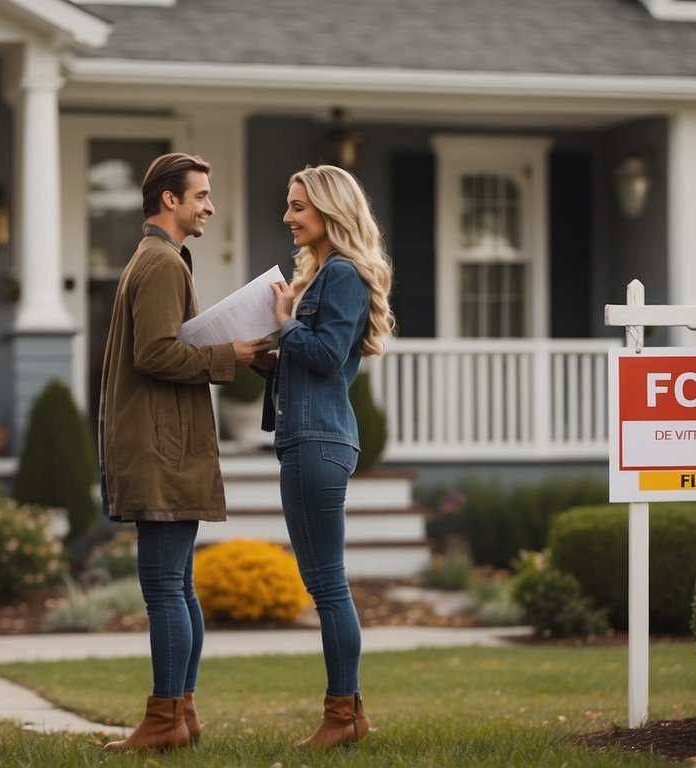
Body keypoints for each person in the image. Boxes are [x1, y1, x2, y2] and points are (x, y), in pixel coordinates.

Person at [97, 152, 261, 752]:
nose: (209, 207)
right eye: (201, 196)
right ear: (170, 199)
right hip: (160, 446)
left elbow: (159, 352)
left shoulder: (162, 259)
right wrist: (231, 355)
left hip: (163, 445)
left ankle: (173, 717)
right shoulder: (161, 262)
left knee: (171, 587)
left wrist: (232, 354)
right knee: (173, 587)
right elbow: (157, 353)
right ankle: (176, 714)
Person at [256, 164, 395, 749]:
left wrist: (286, 325)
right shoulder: (323, 275)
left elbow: (326, 352)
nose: (287, 217)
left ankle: (341, 717)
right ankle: (351, 713)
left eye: (298, 208)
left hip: (319, 441)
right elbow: (312, 358)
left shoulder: (340, 275)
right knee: (325, 582)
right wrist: (269, 350)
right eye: (289, 206)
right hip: (309, 436)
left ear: (330, 211)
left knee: (327, 585)